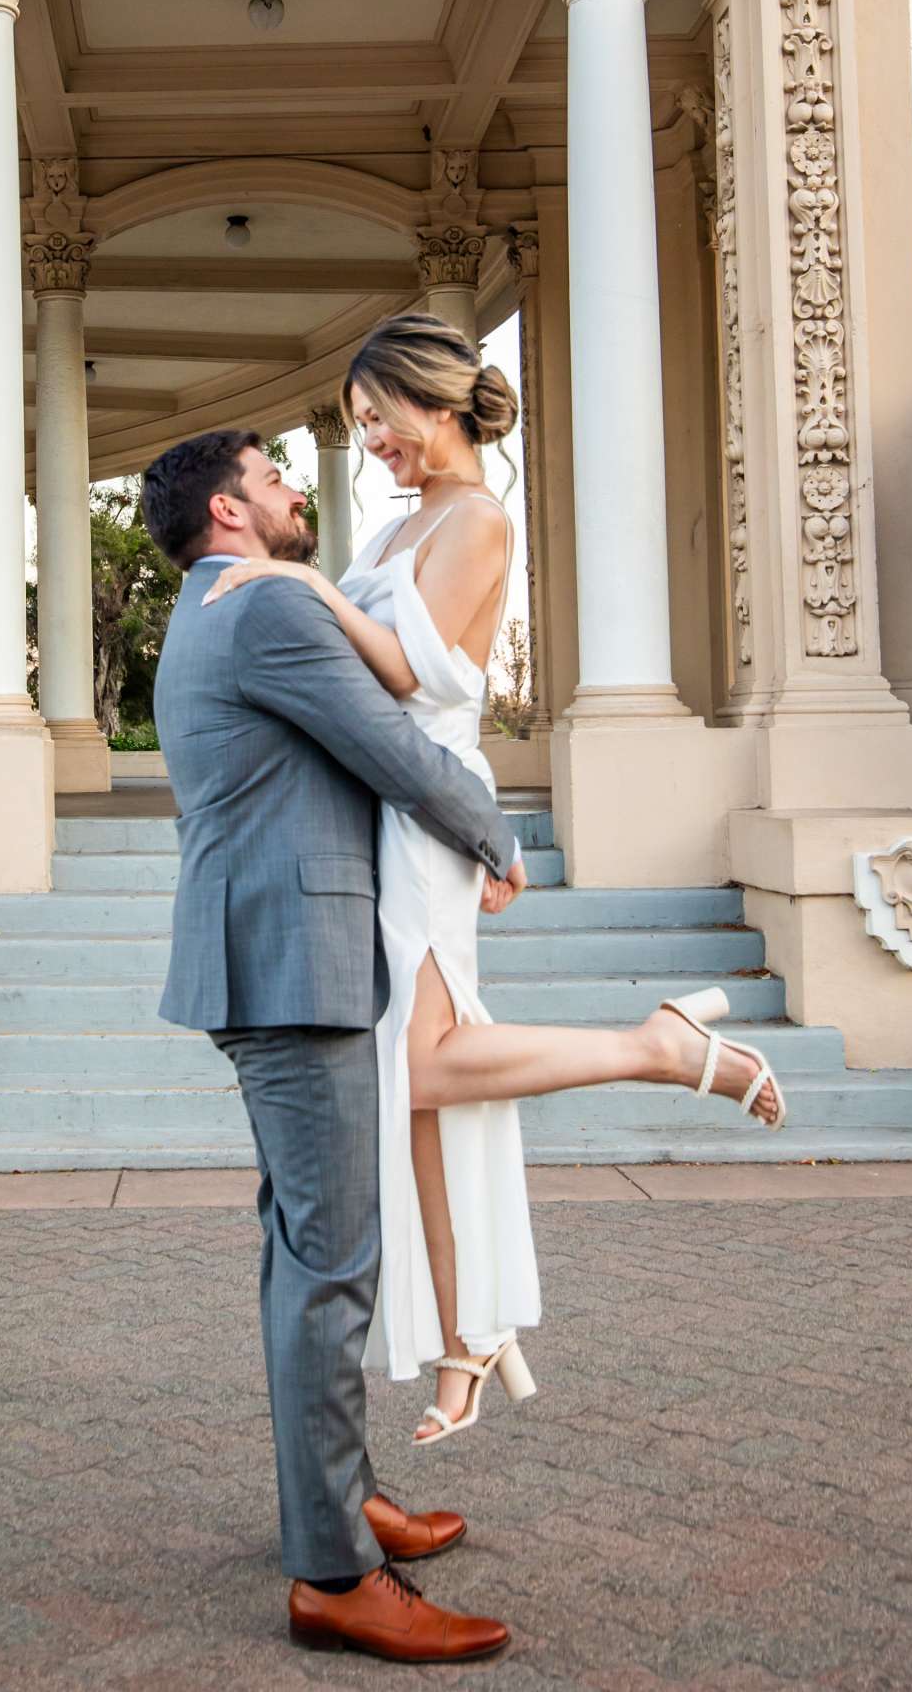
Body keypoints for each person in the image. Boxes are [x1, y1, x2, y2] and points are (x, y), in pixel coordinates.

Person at [199, 315, 785, 1453]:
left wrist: (301, 587)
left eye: (378, 417)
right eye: (358, 423)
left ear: (432, 404)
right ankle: (472, 1327)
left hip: (424, 805)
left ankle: (659, 1048)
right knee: (420, 1082)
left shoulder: (478, 519)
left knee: (423, 1064)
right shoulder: (404, 518)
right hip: (383, 809)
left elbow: (416, 674)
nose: (368, 439)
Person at [143, 428, 521, 1664]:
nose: (295, 488)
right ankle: (331, 1576)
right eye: (272, 477)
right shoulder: (264, 618)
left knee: (303, 1250)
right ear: (228, 512)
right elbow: (391, 748)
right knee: (332, 1260)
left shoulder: (217, 607)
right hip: (293, 967)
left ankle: (338, 1498)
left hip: (268, 956)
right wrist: (494, 836)